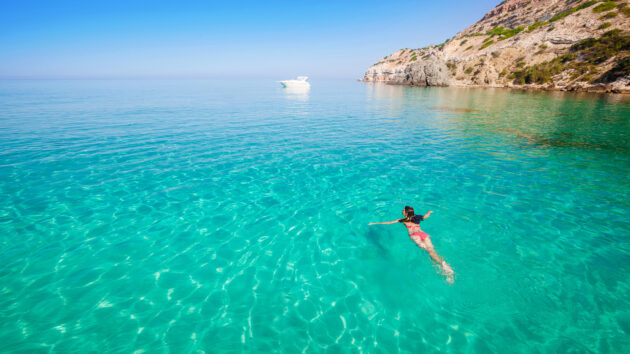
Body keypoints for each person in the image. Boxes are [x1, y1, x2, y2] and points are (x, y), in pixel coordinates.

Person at [369, 206, 454, 283]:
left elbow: (389, 222)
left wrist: (375, 223)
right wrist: (428, 212)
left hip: (415, 236)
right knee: (431, 250)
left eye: (403, 210)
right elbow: (425, 217)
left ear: (406, 213)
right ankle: (443, 264)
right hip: (423, 234)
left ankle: (442, 264)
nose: (402, 210)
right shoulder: (417, 217)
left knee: (428, 251)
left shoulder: (403, 220)